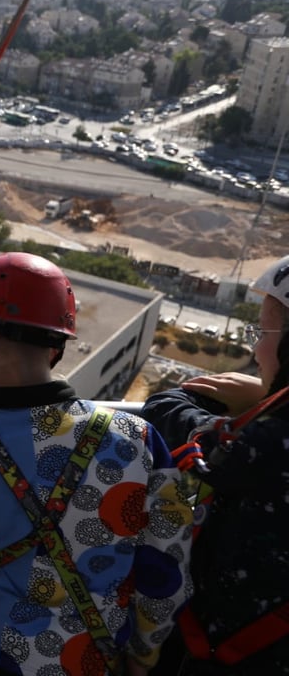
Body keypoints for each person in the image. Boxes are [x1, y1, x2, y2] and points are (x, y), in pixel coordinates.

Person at [0, 251, 195, 676]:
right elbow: (167, 562)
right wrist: (142, 655)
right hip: (93, 658)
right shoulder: (137, 439)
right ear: (58, 345)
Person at [140, 254, 289, 675]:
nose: (255, 346)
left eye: (261, 331)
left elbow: (165, 412)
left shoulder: (263, 446)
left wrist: (261, 400)